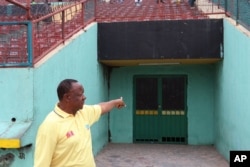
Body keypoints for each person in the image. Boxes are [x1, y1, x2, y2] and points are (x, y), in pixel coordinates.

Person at [34, 79, 126, 167]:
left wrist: (115, 102)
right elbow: (41, 164)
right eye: (80, 94)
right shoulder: (50, 125)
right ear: (67, 97)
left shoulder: (83, 112)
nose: (84, 97)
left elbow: (102, 107)